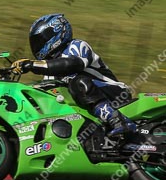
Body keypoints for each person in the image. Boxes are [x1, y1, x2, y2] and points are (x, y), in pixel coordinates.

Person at [11, 13, 137, 143]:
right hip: (87, 105)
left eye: (41, 40)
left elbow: (72, 64)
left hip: (114, 94)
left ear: (57, 32)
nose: (37, 46)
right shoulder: (48, 72)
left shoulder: (76, 46)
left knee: (78, 83)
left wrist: (32, 65)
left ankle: (118, 121)